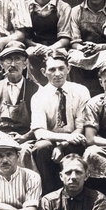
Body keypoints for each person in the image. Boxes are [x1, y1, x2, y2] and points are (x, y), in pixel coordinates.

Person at [29, 49, 90, 193]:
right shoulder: (38, 96)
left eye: (61, 68)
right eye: (52, 69)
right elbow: (39, 132)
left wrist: (62, 146)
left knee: (76, 145)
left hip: (73, 139)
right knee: (41, 147)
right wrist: (64, 139)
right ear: (44, 72)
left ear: (68, 69)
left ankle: (75, 193)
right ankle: (49, 195)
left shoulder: (81, 91)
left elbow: (81, 126)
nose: (57, 73)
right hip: (51, 139)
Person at [0, 42, 39, 161]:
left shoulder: (37, 89)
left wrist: (24, 137)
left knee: (24, 152)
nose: (13, 64)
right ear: (1, 64)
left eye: (17, 59)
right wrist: (3, 137)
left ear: (25, 64)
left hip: (26, 140)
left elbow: (40, 123)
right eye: (8, 60)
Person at [23, 0, 76, 85]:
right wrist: (36, 46)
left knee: (62, 59)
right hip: (34, 47)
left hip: (57, 47)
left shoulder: (63, 7)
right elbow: (24, 36)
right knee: (28, 55)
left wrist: (50, 48)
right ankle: (32, 89)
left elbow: (65, 38)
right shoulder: (25, 6)